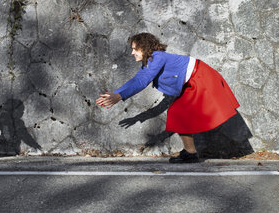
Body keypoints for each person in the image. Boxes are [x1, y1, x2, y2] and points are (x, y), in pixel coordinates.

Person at [95, 32, 239, 163]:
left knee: (178, 112)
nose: (132, 53)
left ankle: (191, 153)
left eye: (135, 49)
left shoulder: (158, 57)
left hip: (201, 76)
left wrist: (119, 96)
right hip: (195, 78)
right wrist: (117, 93)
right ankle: (191, 152)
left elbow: (142, 81)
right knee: (178, 113)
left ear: (144, 47)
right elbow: (137, 78)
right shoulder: (150, 60)